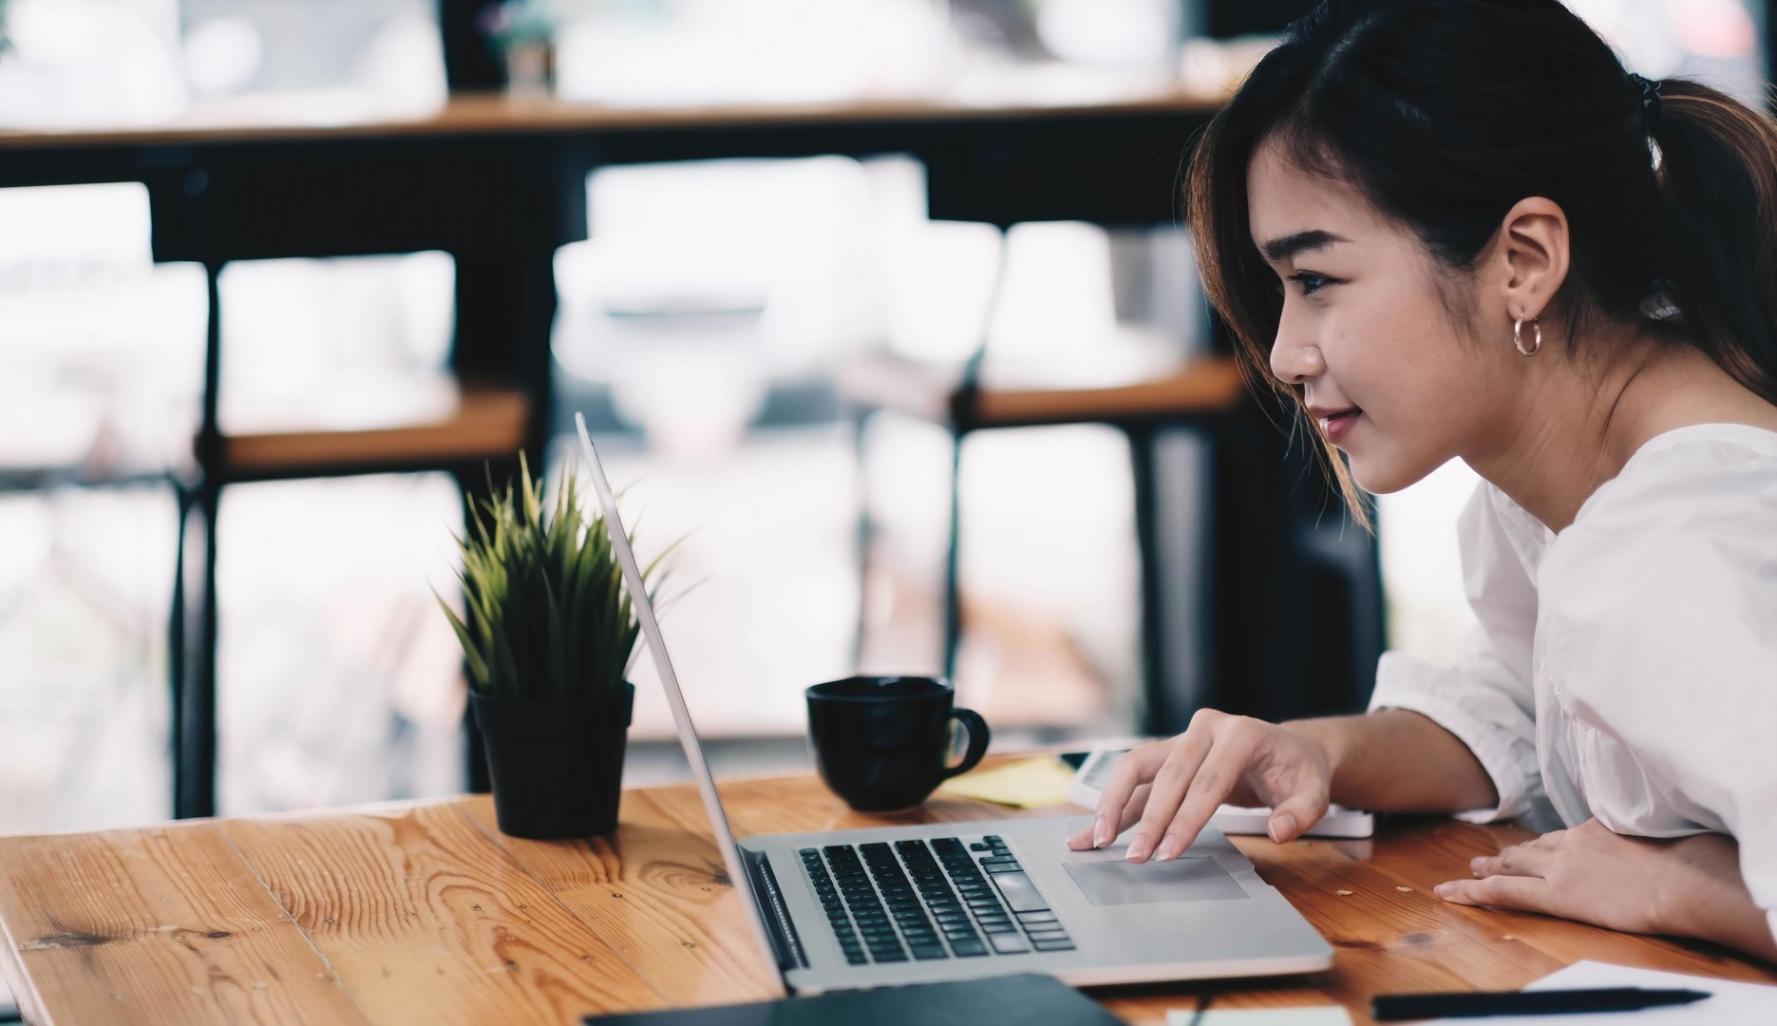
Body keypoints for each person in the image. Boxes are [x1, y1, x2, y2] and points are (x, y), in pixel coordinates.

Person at [1067, 0, 1777, 963]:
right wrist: (1316, 752)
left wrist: (1677, 891)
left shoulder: (1680, 543)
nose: (1281, 354)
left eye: (1315, 279)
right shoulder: (1556, 487)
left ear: (1522, 262)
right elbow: (1522, 712)